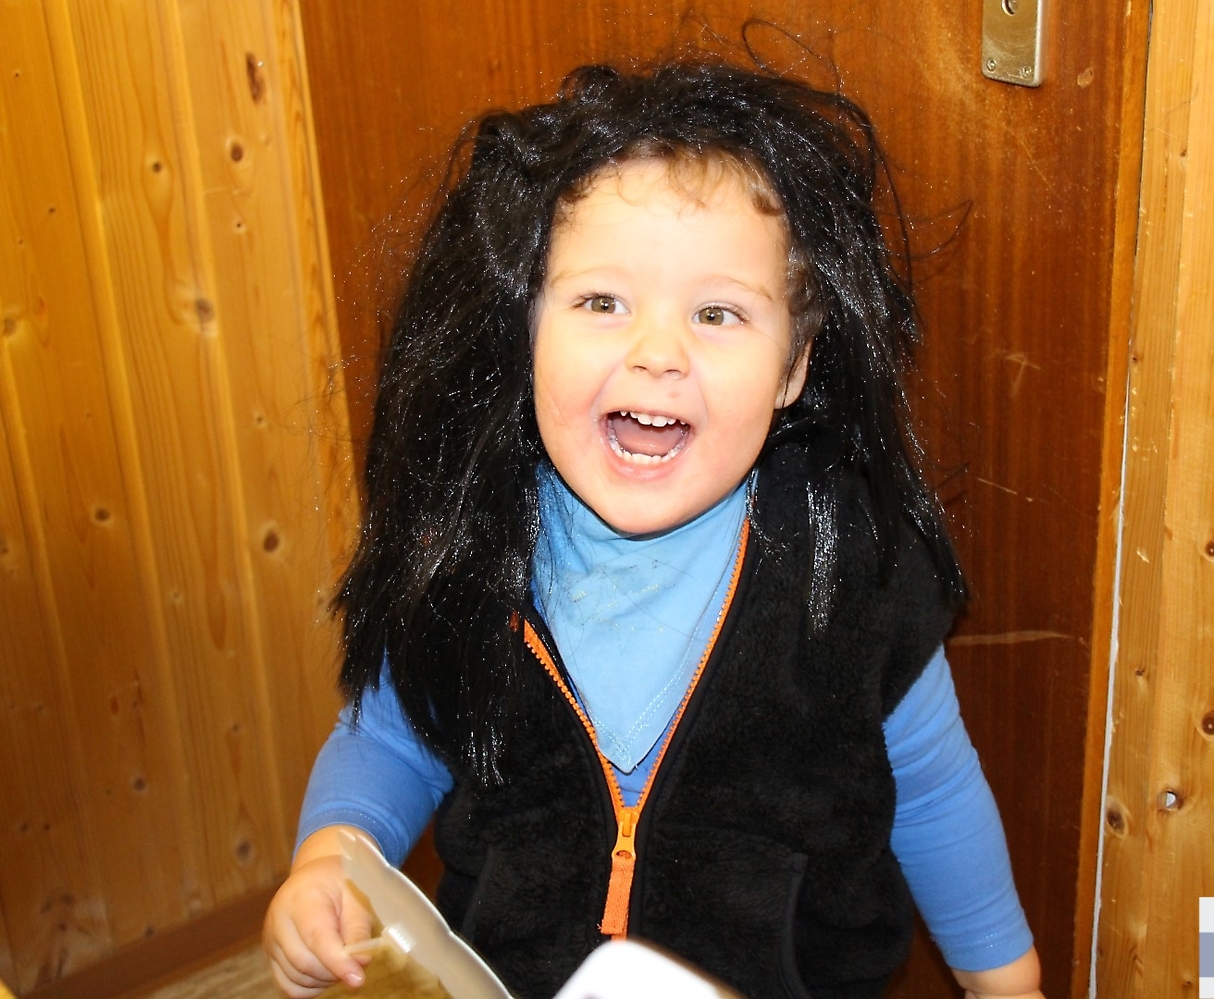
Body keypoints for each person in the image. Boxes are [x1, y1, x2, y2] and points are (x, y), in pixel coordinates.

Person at [263, 59, 1044, 999]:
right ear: (526, 327)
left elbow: (932, 790)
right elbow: (391, 738)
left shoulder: (851, 571)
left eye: (717, 313)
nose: (657, 352)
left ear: (793, 365)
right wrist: (331, 857)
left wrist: (1006, 981)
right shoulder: (471, 549)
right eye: (602, 302)